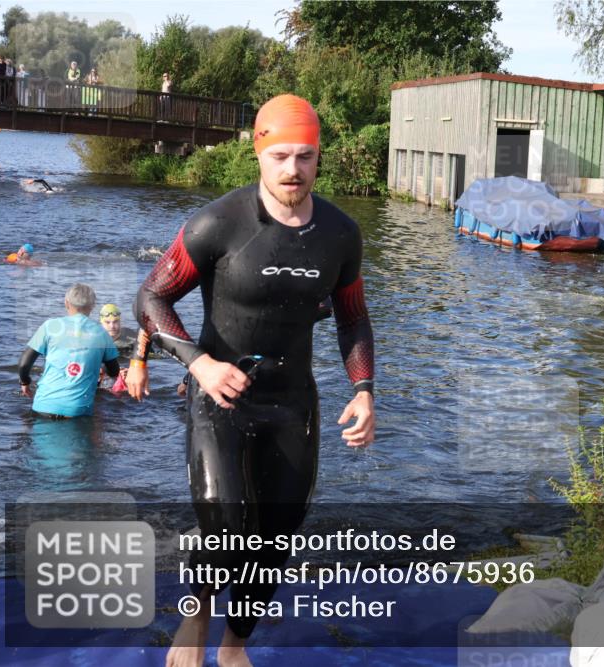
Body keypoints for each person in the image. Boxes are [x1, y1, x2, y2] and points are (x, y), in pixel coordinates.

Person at [126, 93, 375, 667]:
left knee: (277, 536)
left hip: (293, 404)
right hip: (219, 398)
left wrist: (364, 391)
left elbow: (354, 316)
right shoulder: (219, 223)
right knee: (226, 521)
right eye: (282, 155)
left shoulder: (341, 234)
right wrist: (200, 363)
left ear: (319, 158)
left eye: (306, 157)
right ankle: (197, 616)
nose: (294, 169)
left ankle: (234, 647)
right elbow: (151, 296)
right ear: (259, 154)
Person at [18, 284, 120, 418]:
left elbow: (24, 364)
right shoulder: (102, 333)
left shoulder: (50, 326)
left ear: (66, 303)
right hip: (77, 411)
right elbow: (114, 371)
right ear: (92, 306)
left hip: (43, 406)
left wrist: (25, 382)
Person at [98, 303, 137, 393]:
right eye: (107, 322)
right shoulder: (96, 340)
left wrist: (133, 370)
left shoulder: (131, 336)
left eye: (115, 321)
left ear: (120, 321)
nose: (112, 326)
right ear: (101, 323)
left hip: (126, 363)